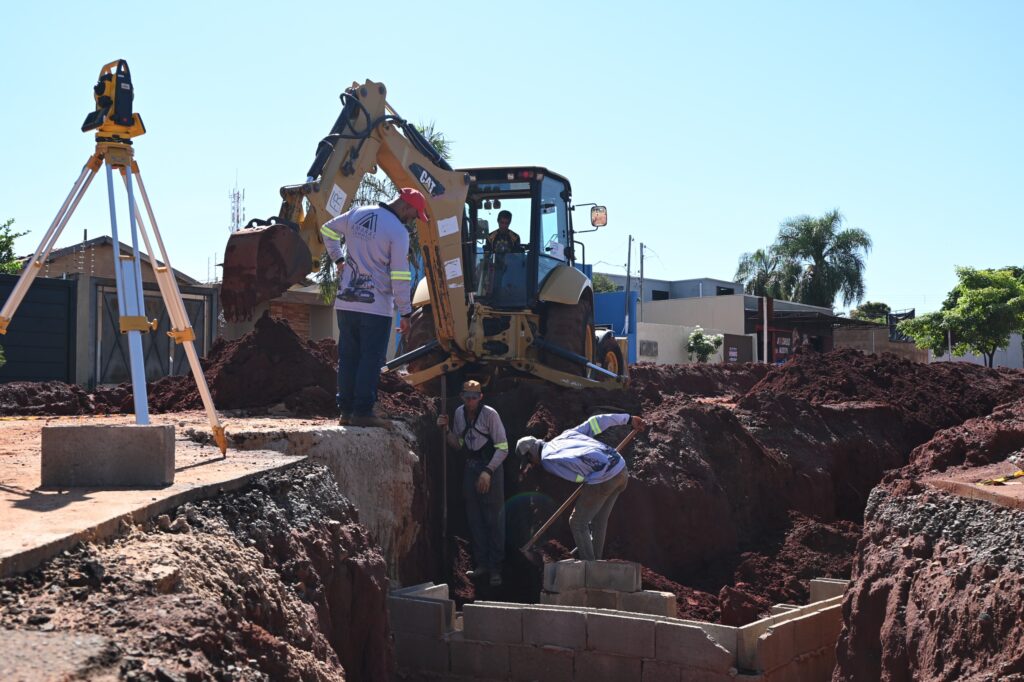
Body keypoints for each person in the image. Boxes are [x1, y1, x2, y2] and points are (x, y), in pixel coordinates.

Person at [320, 188, 428, 427]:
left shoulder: (357, 213)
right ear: (406, 205)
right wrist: (406, 312)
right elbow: (400, 275)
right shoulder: (398, 232)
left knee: (348, 356)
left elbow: (327, 229)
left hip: (347, 302)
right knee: (370, 358)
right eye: (414, 214)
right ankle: (363, 411)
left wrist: (339, 259)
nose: (412, 220)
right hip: (375, 306)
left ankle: (346, 412)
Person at [516, 413, 646, 561]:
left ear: (530, 453)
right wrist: (628, 419)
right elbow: (595, 422)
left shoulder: (547, 459)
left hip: (604, 478)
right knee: (598, 520)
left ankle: (589, 567)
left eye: (529, 461)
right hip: (621, 469)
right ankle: (596, 561)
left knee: (577, 522)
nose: (532, 463)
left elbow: (575, 476)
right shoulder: (566, 436)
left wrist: (588, 479)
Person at [437, 380, 510, 586]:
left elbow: (503, 448)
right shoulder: (460, 413)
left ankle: (496, 567)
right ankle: (482, 564)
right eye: (467, 397)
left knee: (493, 518)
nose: (470, 401)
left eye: (474, 397)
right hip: (471, 467)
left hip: (491, 468)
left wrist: (488, 471)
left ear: (481, 397)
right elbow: (459, 444)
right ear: (462, 397)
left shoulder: (490, 415)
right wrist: (446, 431)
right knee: (475, 517)